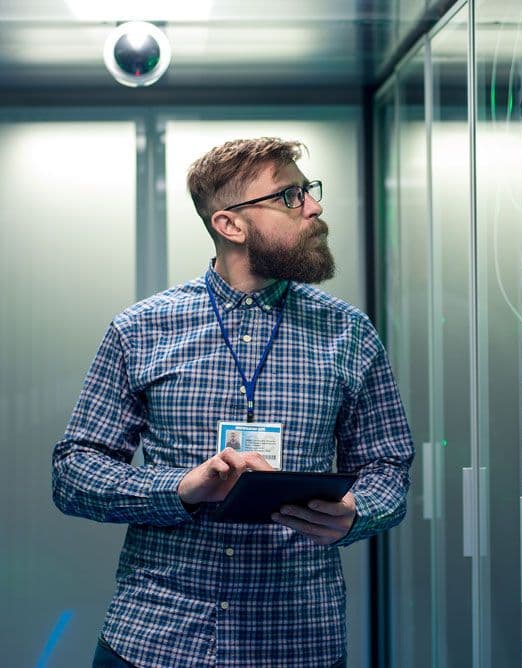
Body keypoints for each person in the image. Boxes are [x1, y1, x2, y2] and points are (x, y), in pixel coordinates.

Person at [53, 137, 414, 667]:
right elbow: (74, 474)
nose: (313, 207)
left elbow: (389, 469)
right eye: (290, 196)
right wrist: (178, 488)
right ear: (230, 225)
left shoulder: (348, 332)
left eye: (309, 191)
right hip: (156, 638)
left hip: (296, 640)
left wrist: (357, 512)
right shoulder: (141, 330)